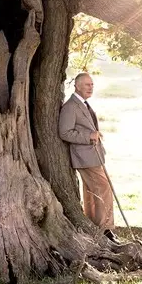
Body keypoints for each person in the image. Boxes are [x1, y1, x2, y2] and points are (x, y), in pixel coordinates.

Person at [58, 72, 120, 244]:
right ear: (77, 85)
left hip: (93, 155)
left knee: (92, 191)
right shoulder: (71, 106)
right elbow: (64, 132)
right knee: (104, 187)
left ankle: (94, 224)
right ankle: (106, 229)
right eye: (87, 85)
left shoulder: (84, 104)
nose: (90, 88)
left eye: (92, 84)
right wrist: (89, 136)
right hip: (84, 156)